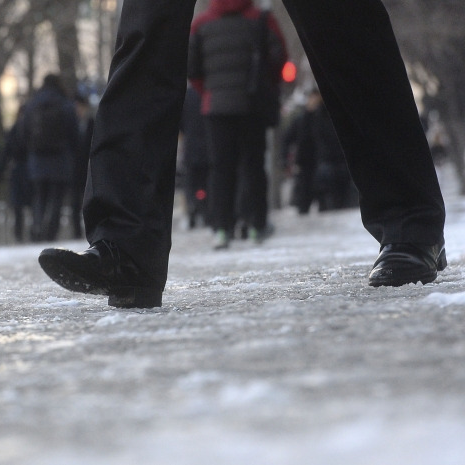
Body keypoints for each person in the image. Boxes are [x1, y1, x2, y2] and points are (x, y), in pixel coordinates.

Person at [39, 0, 447, 308]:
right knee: (148, 22)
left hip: (225, 107)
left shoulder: (232, 23)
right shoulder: (247, 22)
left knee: (337, 15)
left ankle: (410, 219)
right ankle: (126, 245)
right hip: (239, 107)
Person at [187, 0, 287, 249]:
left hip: (216, 107)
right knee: (253, 165)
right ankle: (256, 225)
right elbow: (279, 57)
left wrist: (209, 92)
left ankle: (221, 227)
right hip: (251, 105)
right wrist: (267, 85)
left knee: (220, 168)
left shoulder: (201, 23)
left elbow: (192, 68)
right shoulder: (261, 18)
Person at [24, 74, 79, 242]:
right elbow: (74, 132)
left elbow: (24, 130)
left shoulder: (32, 104)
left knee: (39, 196)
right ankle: (50, 232)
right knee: (56, 197)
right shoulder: (65, 103)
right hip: (60, 158)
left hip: (37, 158)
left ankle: (37, 227)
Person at [0, 105, 33, 242]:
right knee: (32, 204)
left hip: (18, 170)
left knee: (18, 206)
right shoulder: (33, 129)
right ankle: (35, 232)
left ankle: (19, 234)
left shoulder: (15, 129)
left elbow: (5, 152)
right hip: (31, 170)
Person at [179, 85, 210, 229]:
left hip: (191, 146)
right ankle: (206, 210)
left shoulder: (186, 95)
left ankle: (192, 208)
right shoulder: (208, 92)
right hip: (209, 146)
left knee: (191, 182)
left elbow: (180, 123)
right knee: (207, 181)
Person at [71, 92, 95, 239]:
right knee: (75, 201)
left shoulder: (92, 123)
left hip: (87, 167)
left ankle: (89, 229)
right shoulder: (71, 125)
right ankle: (76, 231)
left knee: (88, 200)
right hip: (75, 168)